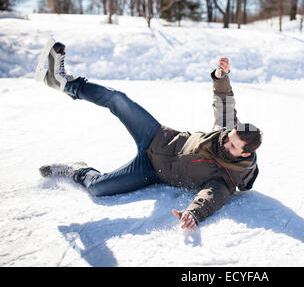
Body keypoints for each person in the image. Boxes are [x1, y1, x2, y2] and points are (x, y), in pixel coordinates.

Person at [37, 41, 262, 230]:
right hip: (157, 135)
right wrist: (221, 77)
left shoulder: (227, 179)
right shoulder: (226, 133)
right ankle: (66, 83)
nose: (225, 143)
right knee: (118, 100)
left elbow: (210, 198)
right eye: (229, 137)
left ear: (244, 154)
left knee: (98, 188)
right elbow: (224, 102)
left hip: (152, 170)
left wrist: (194, 214)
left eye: (233, 146)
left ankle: (76, 170)